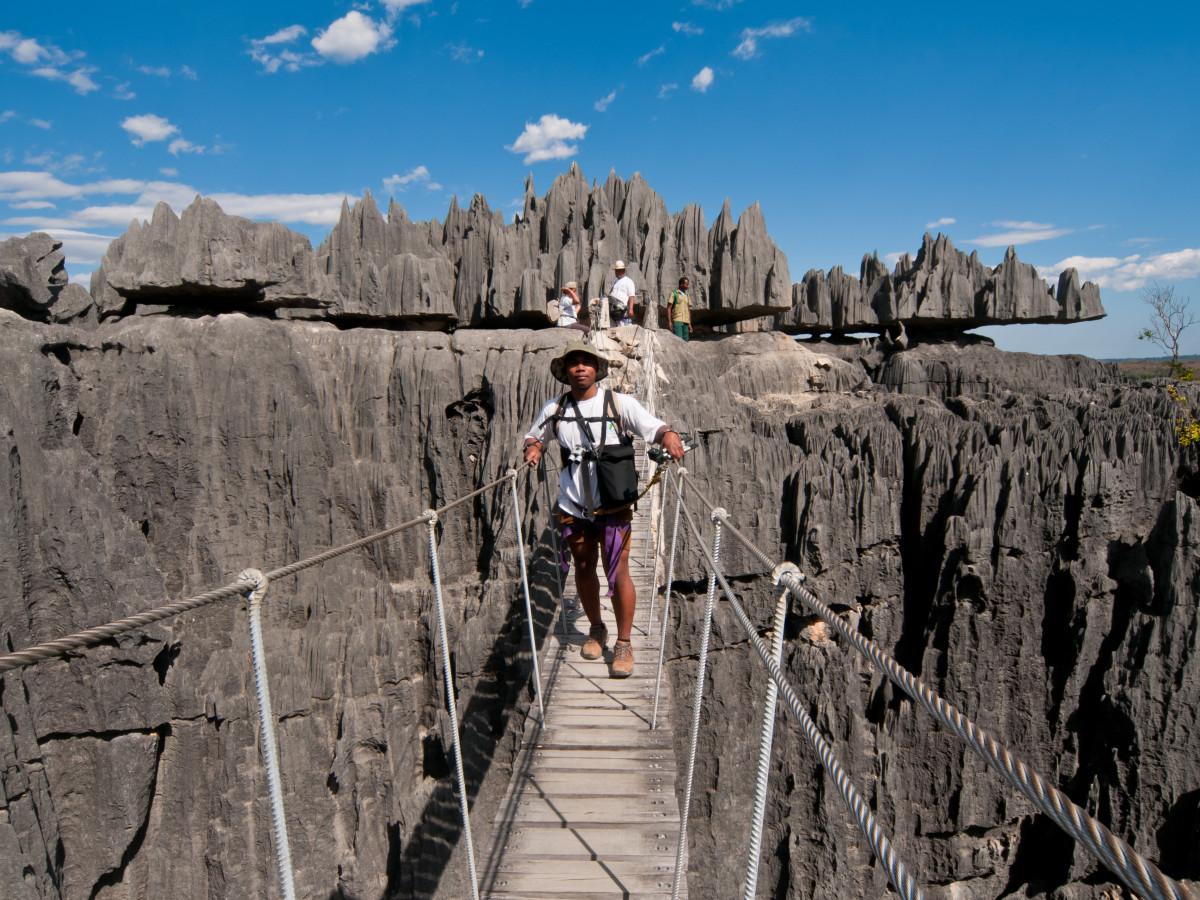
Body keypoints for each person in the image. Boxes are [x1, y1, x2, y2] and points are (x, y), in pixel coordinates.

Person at [523, 341, 685, 677]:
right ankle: (597, 628)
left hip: (614, 504)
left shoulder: (618, 403)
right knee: (583, 566)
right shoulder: (555, 408)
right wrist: (534, 449)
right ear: (565, 371)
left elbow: (651, 426)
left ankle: (624, 642)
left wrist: (667, 435)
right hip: (573, 503)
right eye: (574, 363)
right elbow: (535, 436)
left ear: (597, 369)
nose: (580, 368)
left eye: (587, 362)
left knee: (618, 570)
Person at [608, 261, 636, 327]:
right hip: (613, 309)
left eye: (620, 271)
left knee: (623, 327)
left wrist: (631, 309)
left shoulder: (628, 281)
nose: (618, 272)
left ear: (623, 270)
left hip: (622, 309)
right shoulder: (614, 282)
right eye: (617, 271)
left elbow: (631, 296)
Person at [669, 276, 693, 341]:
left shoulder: (687, 295)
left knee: (686, 341)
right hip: (677, 320)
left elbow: (688, 309)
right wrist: (669, 321)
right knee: (678, 340)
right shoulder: (674, 293)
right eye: (686, 284)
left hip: (686, 321)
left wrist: (689, 323)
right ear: (681, 284)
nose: (688, 286)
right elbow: (669, 308)